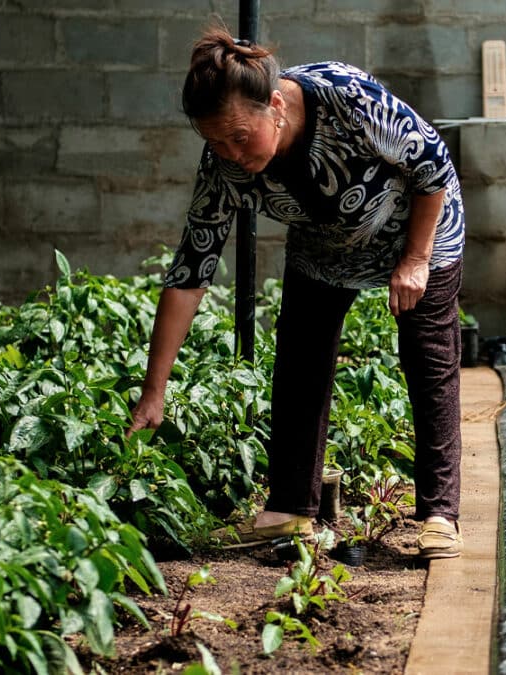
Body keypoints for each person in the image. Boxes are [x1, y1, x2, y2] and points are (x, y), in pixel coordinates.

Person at [128, 24, 465, 560]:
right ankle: (290, 508)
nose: (231, 152)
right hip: (324, 248)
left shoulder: (346, 98)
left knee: (427, 359)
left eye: (240, 136)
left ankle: (438, 514)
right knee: (300, 361)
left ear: (276, 106)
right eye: (215, 141)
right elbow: (191, 270)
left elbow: (433, 165)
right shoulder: (222, 167)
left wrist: (417, 259)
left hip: (416, 227)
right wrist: (154, 390)